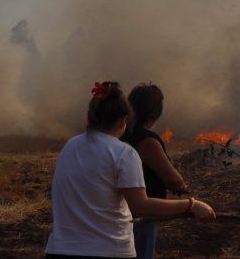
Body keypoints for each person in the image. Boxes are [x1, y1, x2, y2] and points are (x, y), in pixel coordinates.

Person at [45, 81, 215, 259]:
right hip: (107, 250)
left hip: (60, 250)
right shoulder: (123, 153)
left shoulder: (70, 146)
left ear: (89, 118)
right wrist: (191, 205)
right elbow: (141, 206)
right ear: (124, 121)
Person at [122, 83, 188, 259]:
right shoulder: (146, 141)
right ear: (155, 113)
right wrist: (182, 187)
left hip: (120, 213)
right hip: (141, 216)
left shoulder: (120, 133)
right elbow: (173, 178)